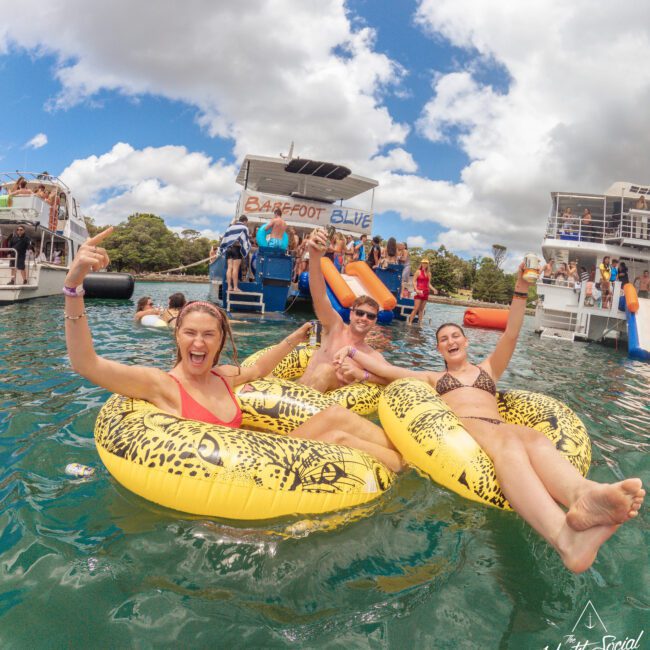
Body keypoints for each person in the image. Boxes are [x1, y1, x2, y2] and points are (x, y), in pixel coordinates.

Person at [333, 263, 645, 573]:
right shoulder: (433, 377)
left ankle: (583, 493)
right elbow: (387, 372)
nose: (452, 340)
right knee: (509, 441)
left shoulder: (489, 369)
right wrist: (350, 353)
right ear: (440, 349)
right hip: (469, 429)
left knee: (533, 437)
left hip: (500, 426)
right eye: (444, 339)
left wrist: (522, 287)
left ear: (466, 342)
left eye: (456, 335)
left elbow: (511, 333)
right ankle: (564, 538)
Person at [63, 228, 402, 472]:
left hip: (260, 462)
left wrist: (292, 340)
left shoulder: (222, 377)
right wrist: (74, 285)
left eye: (209, 335)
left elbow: (257, 370)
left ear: (220, 340)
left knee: (336, 420)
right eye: (191, 333)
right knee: (339, 437)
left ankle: (412, 458)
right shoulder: (160, 384)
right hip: (241, 476)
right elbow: (85, 363)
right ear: (177, 337)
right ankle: (408, 470)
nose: (199, 342)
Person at [219, 215, 251, 293]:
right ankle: (235, 287)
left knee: (229, 268)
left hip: (229, 249)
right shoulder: (244, 228)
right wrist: (247, 247)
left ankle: (229, 287)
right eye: (246, 222)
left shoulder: (230, 228)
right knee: (235, 268)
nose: (246, 224)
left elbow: (225, 239)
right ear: (245, 221)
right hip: (236, 249)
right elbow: (245, 241)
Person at [408, 259, 434, 325]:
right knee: (416, 308)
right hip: (418, 291)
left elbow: (428, 284)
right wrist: (416, 289)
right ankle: (410, 322)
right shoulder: (418, 272)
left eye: (426, 263)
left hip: (426, 292)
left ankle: (420, 323)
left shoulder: (429, 273)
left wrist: (434, 289)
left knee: (421, 309)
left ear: (428, 264)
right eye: (423, 263)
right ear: (421, 263)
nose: (424, 264)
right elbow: (414, 281)